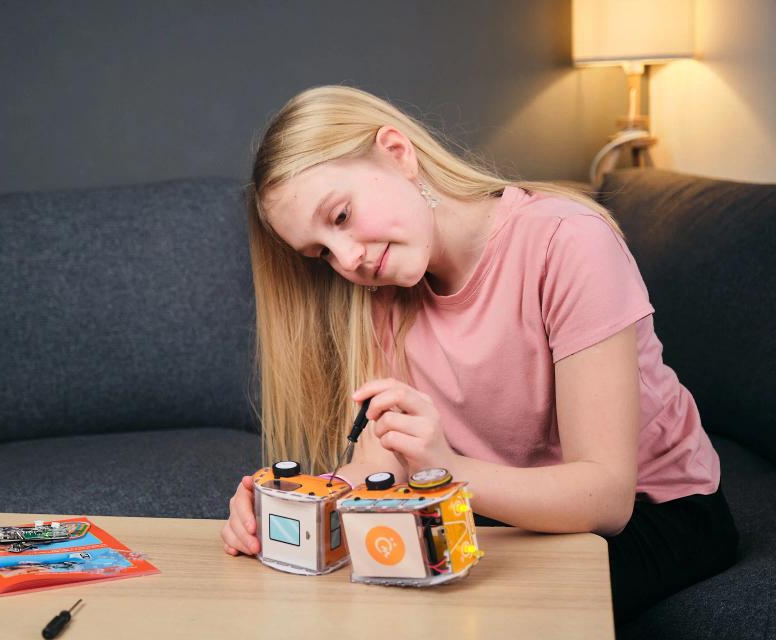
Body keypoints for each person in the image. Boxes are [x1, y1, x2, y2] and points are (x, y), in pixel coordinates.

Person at [220, 85, 739, 624]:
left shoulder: (568, 242)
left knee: (479, 614)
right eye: (322, 253)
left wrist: (447, 469)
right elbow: (381, 462)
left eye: (343, 216)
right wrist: (291, 503)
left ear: (398, 153)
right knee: (367, 589)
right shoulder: (384, 284)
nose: (347, 259)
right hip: (498, 509)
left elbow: (606, 499)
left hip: (658, 515)